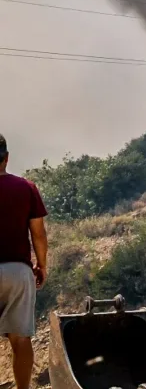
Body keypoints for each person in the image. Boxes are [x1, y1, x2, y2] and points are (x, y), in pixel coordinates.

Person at [0, 134, 48, 389]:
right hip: (18, 272)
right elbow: (38, 234)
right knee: (20, 339)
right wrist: (41, 265)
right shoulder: (26, 188)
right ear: (6, 158)